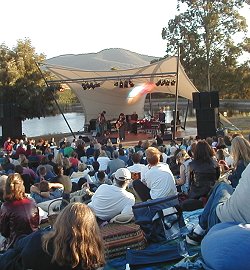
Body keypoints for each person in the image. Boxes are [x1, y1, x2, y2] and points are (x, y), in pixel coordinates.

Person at [20, 203, 105, 270]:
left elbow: (25, 260)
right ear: (92, 227)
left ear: (61, 220)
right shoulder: (92, 250)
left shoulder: (40, 241)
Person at [186, 162, 250, 246]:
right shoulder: (213, 162)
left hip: (222, 222)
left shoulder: (191, 165)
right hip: (241, 227)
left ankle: (199, 229)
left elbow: (186, 181)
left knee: (222, 186)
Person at [0, 173, 39, 250]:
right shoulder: (32, 202)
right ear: (22, 186)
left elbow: (4, 232)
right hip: (33, 240)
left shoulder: (6, 206)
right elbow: (36, 224)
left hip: (16, 245)